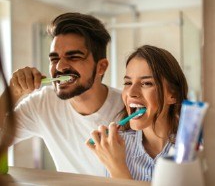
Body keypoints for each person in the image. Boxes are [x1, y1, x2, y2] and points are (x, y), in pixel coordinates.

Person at [1, 12, 124, 176]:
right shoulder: (43, 102)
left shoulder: (127, 108)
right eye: (54, 58)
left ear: (101, 67)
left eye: (73, 57)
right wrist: (13, 93)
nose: (60, 67)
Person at [86, 45, 188, 181]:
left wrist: (118, 169)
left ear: (173, 95)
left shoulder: (192, 150)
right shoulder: (115, 147)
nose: (131, 93)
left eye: (146, 83)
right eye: (128, 83)